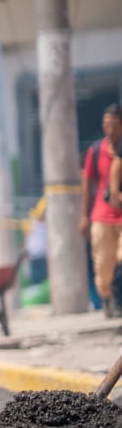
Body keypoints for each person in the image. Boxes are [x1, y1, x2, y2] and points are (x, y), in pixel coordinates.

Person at [80, 103, 122, 318]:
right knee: (104, 266)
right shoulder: (96, 151)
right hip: (102, 215)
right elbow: (87, 184)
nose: (110, 130)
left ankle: (117, 299)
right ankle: (107, 299)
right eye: (107, 125)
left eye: (114, 125)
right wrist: (84, 216)